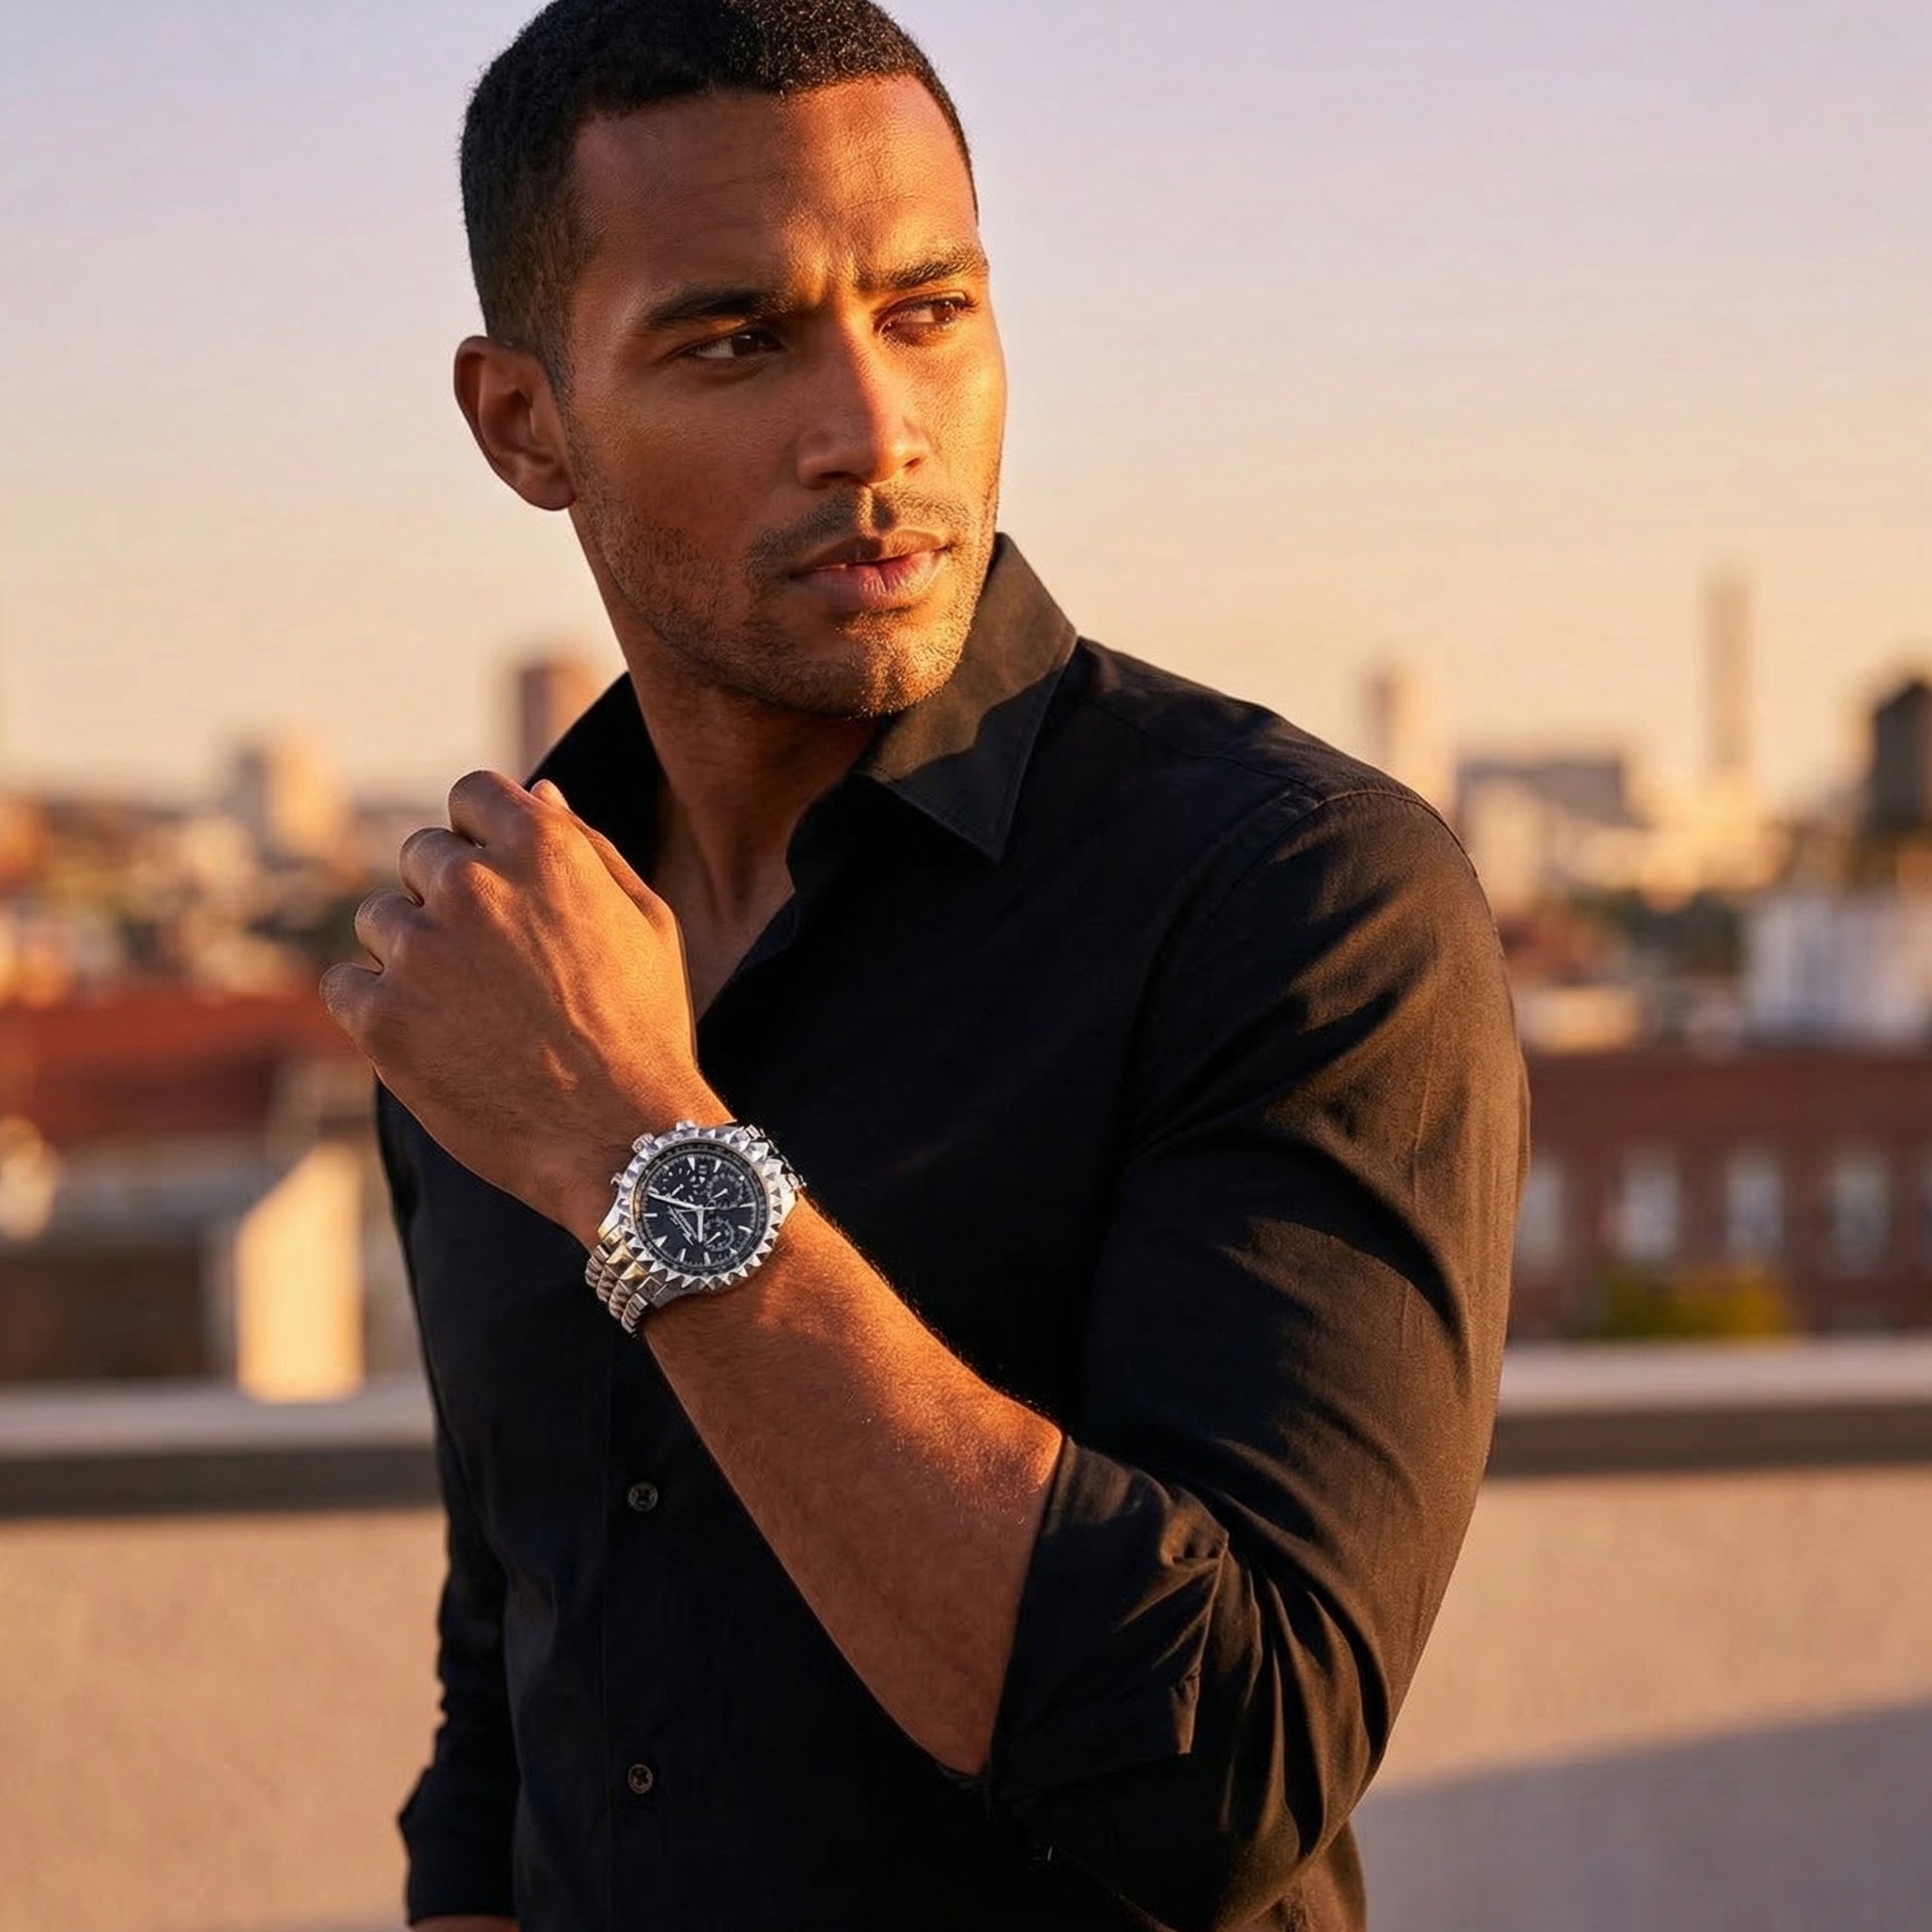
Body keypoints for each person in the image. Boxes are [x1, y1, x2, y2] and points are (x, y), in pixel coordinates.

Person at [322, 2, 1527, 1927]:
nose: (871, 432)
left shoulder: (1295, 899)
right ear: (522, 420)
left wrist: (644, 1150)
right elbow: (517, 1645)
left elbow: (1222, 1767)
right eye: (736, 337)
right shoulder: (499, 959)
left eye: (928, 310)